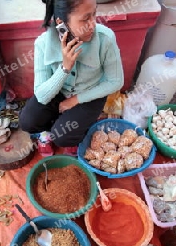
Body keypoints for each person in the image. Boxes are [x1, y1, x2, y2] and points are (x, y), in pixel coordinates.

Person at [19, 0, 124, 156]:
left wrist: (76, 100)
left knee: (63, 136)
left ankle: (74, 135)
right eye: (85, 19)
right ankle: (47, 131)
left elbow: (115, 81)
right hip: (58, 91)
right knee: (27, 121)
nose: (93, 24)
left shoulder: (105, 38)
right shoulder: (42, 44)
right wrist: (65, 68)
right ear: (61, 22)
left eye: (94, 14)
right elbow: (41, 95)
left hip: (91, 93)